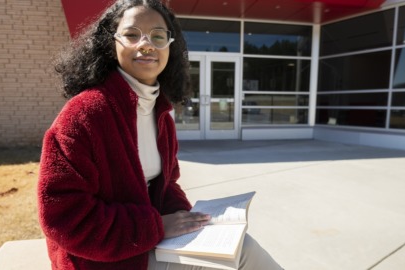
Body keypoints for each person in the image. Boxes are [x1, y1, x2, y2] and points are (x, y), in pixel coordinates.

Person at [37, 0, 284, 269]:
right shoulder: (83, 114)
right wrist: (156, 227)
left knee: (237, 247)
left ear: (170, 47)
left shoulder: (160, 113)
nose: (147, 44)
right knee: (244, 253)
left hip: (147, 244)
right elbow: (63, 216)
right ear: (112, 43)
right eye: (132, 35)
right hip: (101, 261)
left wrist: (188, 218)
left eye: (158, 36)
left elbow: (165, 185)